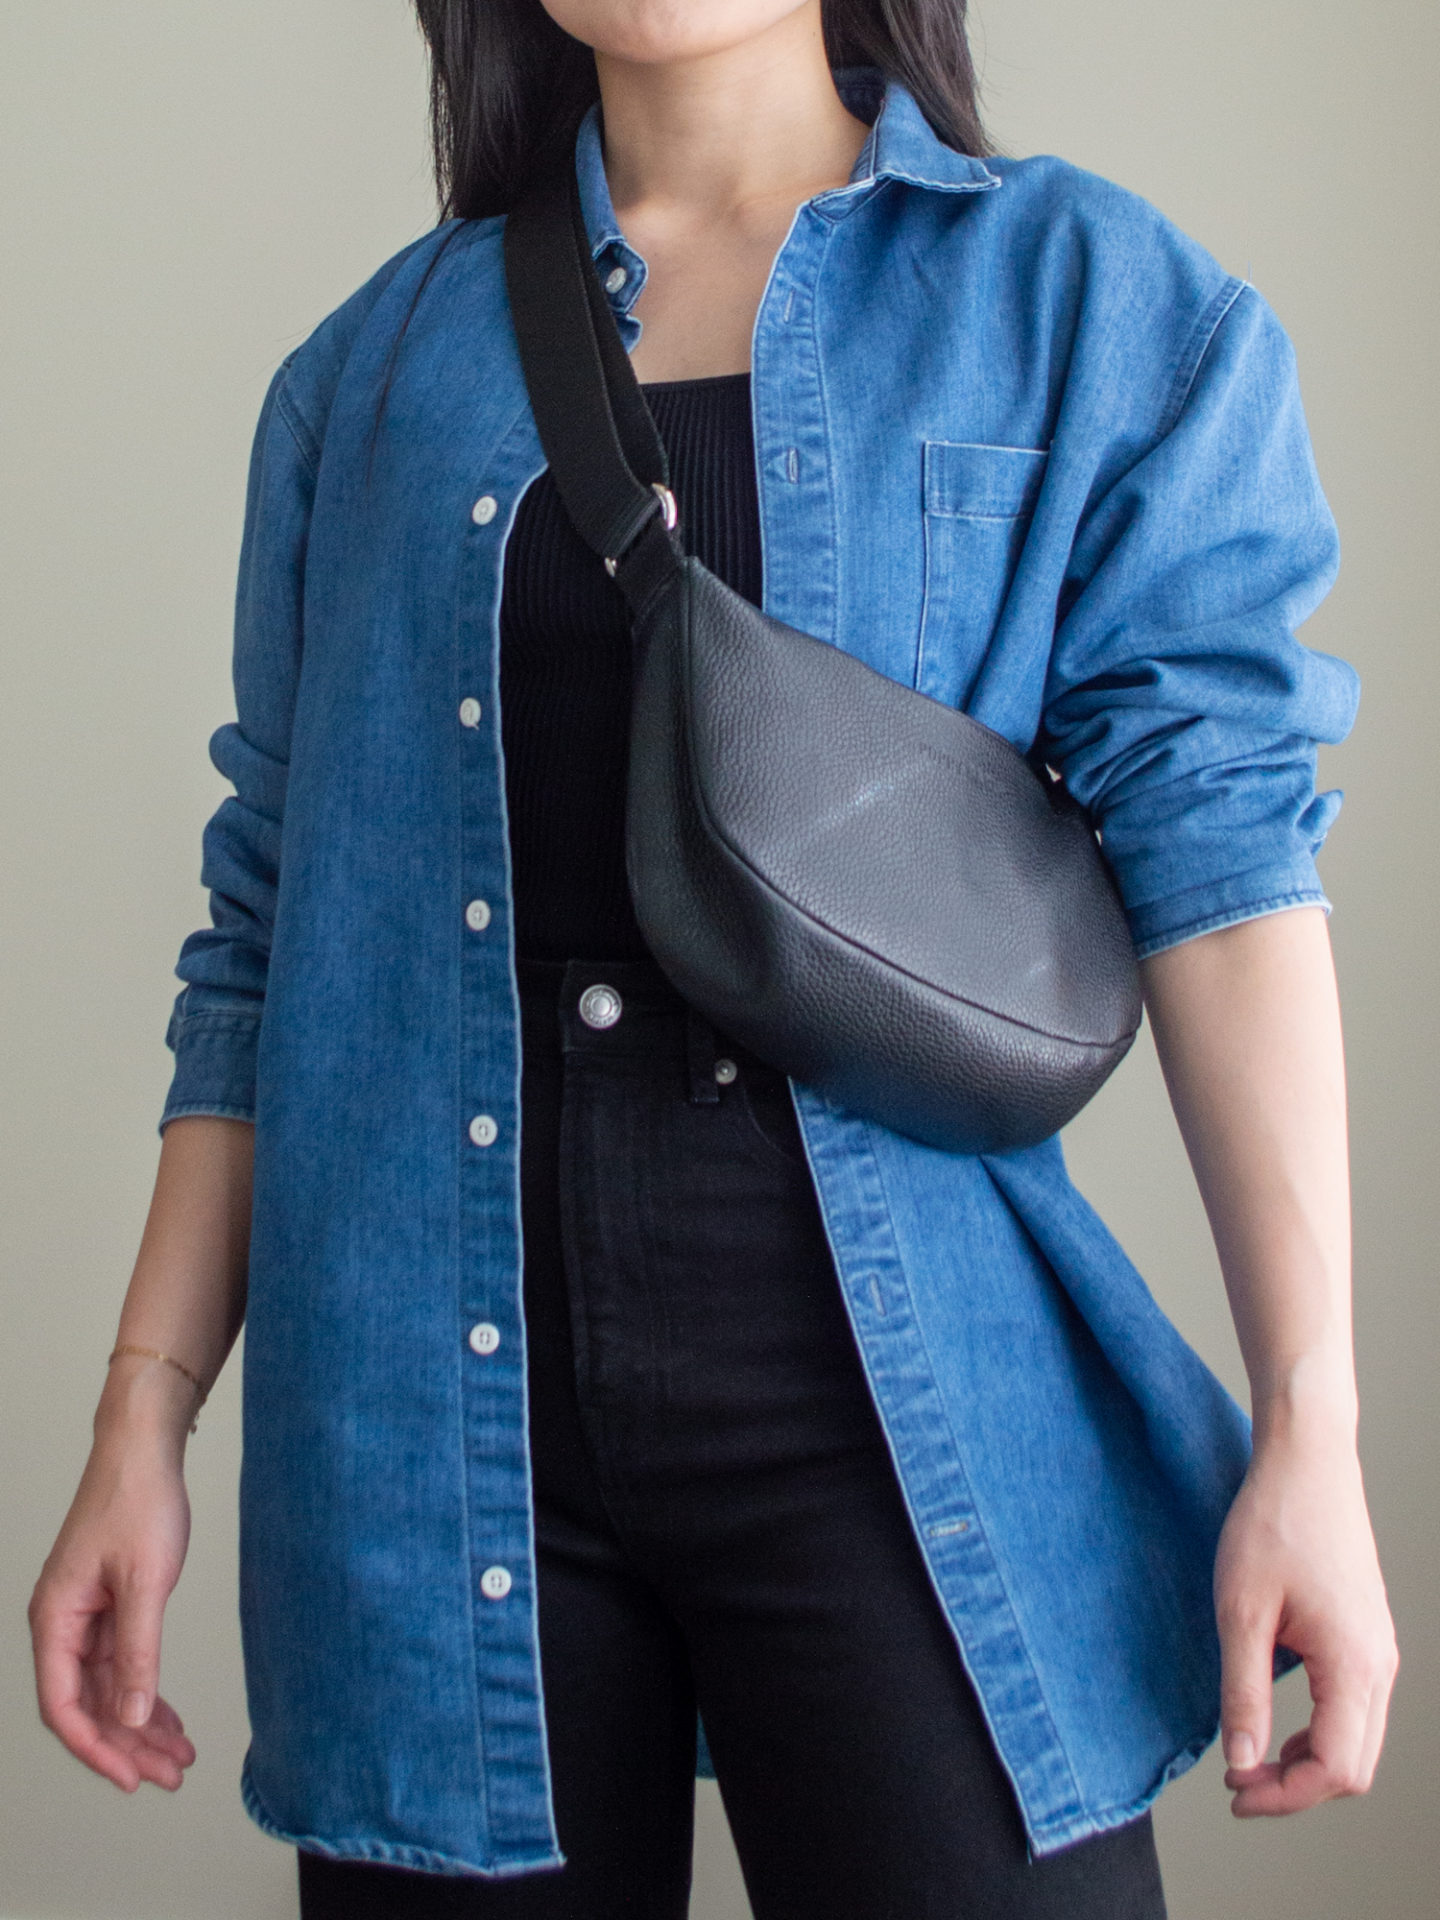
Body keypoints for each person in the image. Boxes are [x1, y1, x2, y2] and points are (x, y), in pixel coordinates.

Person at [29, 3, 1398, 1916]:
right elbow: (266, 934)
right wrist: (138, 1421)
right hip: (438, 1453)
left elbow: (1226, 866)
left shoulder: (1086, 303)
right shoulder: (374, 377)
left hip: (905, 1441)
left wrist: (1310, 1434)